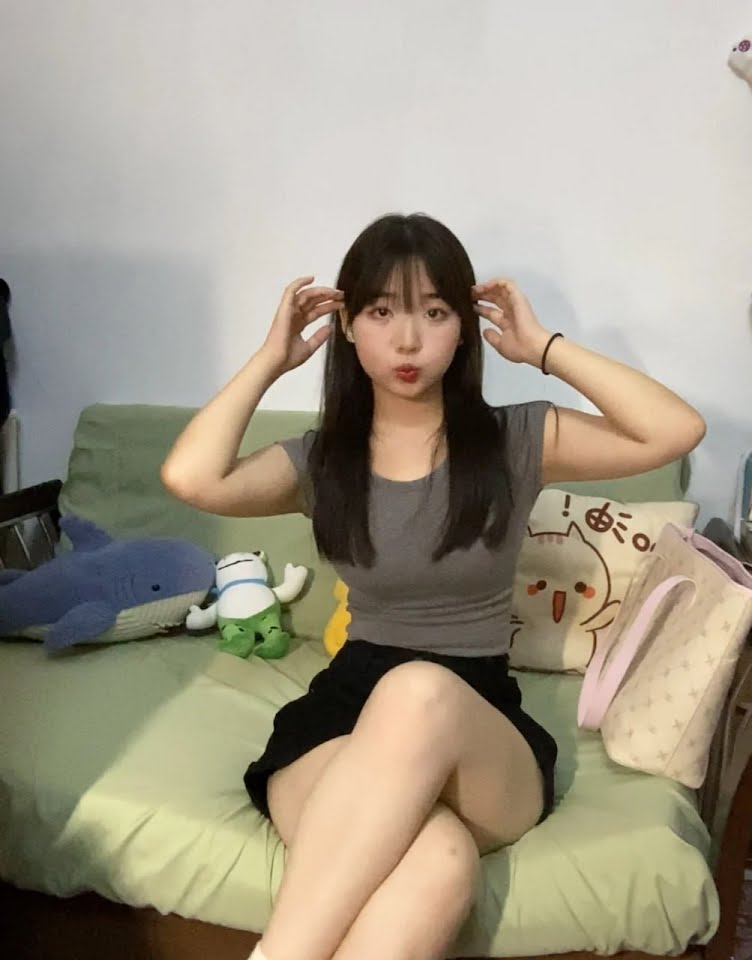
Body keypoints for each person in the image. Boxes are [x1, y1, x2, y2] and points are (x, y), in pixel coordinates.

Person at [161, 213, 706, 960]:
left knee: (418, 689)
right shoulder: (323, 461)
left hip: (479, 727)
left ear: (464, 328)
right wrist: (269, 360)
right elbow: (190, 476)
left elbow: (674, 430)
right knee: (441, 863)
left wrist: (544, 348)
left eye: (436, 312)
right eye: (382, 312)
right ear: (347, 325)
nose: (409, 340)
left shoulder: (515, 440)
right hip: (341, 718)